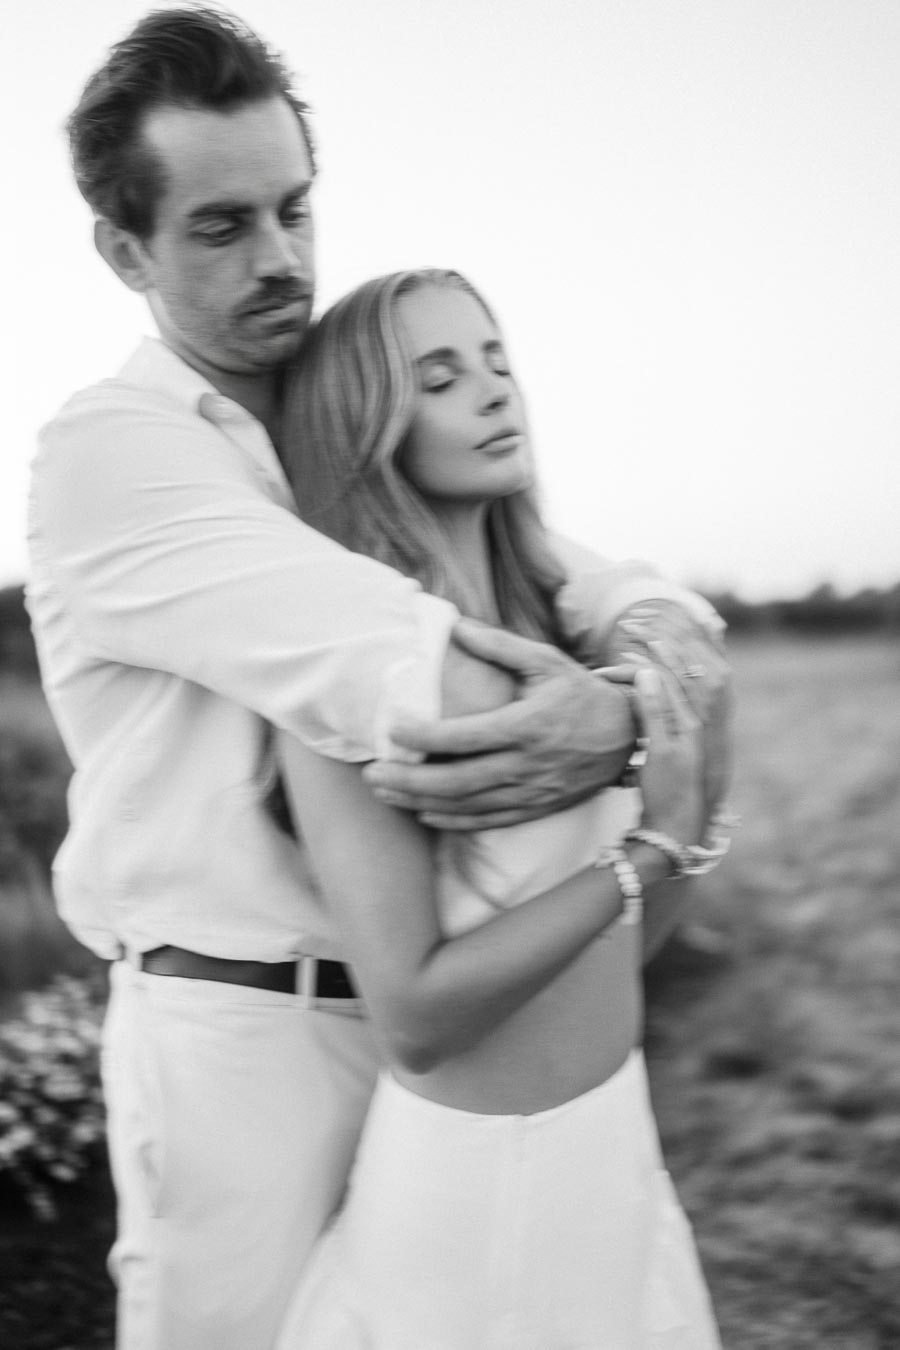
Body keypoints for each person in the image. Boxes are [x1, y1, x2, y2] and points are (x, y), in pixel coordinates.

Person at [26, 10, 729, 1350]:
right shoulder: (117, 454)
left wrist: (654, 679)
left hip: (449, 1025)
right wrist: (656, 724)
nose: (282, 256)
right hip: (240, 1033)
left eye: (294, 207)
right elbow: (429, 679)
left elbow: (598, 584)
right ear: (126, 249)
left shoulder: (339, 431)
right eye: (222, 226)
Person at [273, 270, 725, 1348]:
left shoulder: (577, 643)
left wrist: (680, 828)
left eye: (496, 360)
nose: (491, 392)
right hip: (482, 1186)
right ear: (370, 426)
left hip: (612, 1132)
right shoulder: (353, 677)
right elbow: (419, 1017)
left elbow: (629, 954)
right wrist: (653, 848)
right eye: (439, 376)